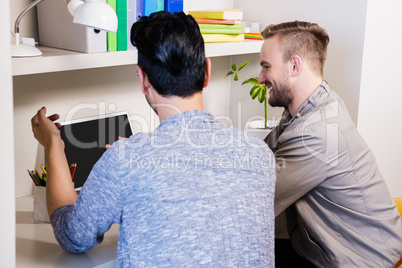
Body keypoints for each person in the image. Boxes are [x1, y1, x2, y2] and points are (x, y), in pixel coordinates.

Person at [31, 11, 277, 267]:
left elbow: (72, 236)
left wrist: (53, 145)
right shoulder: (261, 155)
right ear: (206, 71)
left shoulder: (125, 161)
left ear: (143, 79)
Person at [259, 21, 402, 267]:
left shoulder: (318, 132)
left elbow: (259, 199)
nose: (260, 78)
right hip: (328, 246)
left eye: (266, 67)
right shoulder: (314, 104)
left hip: (362, 258)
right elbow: (262, 152)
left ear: (295, 65)